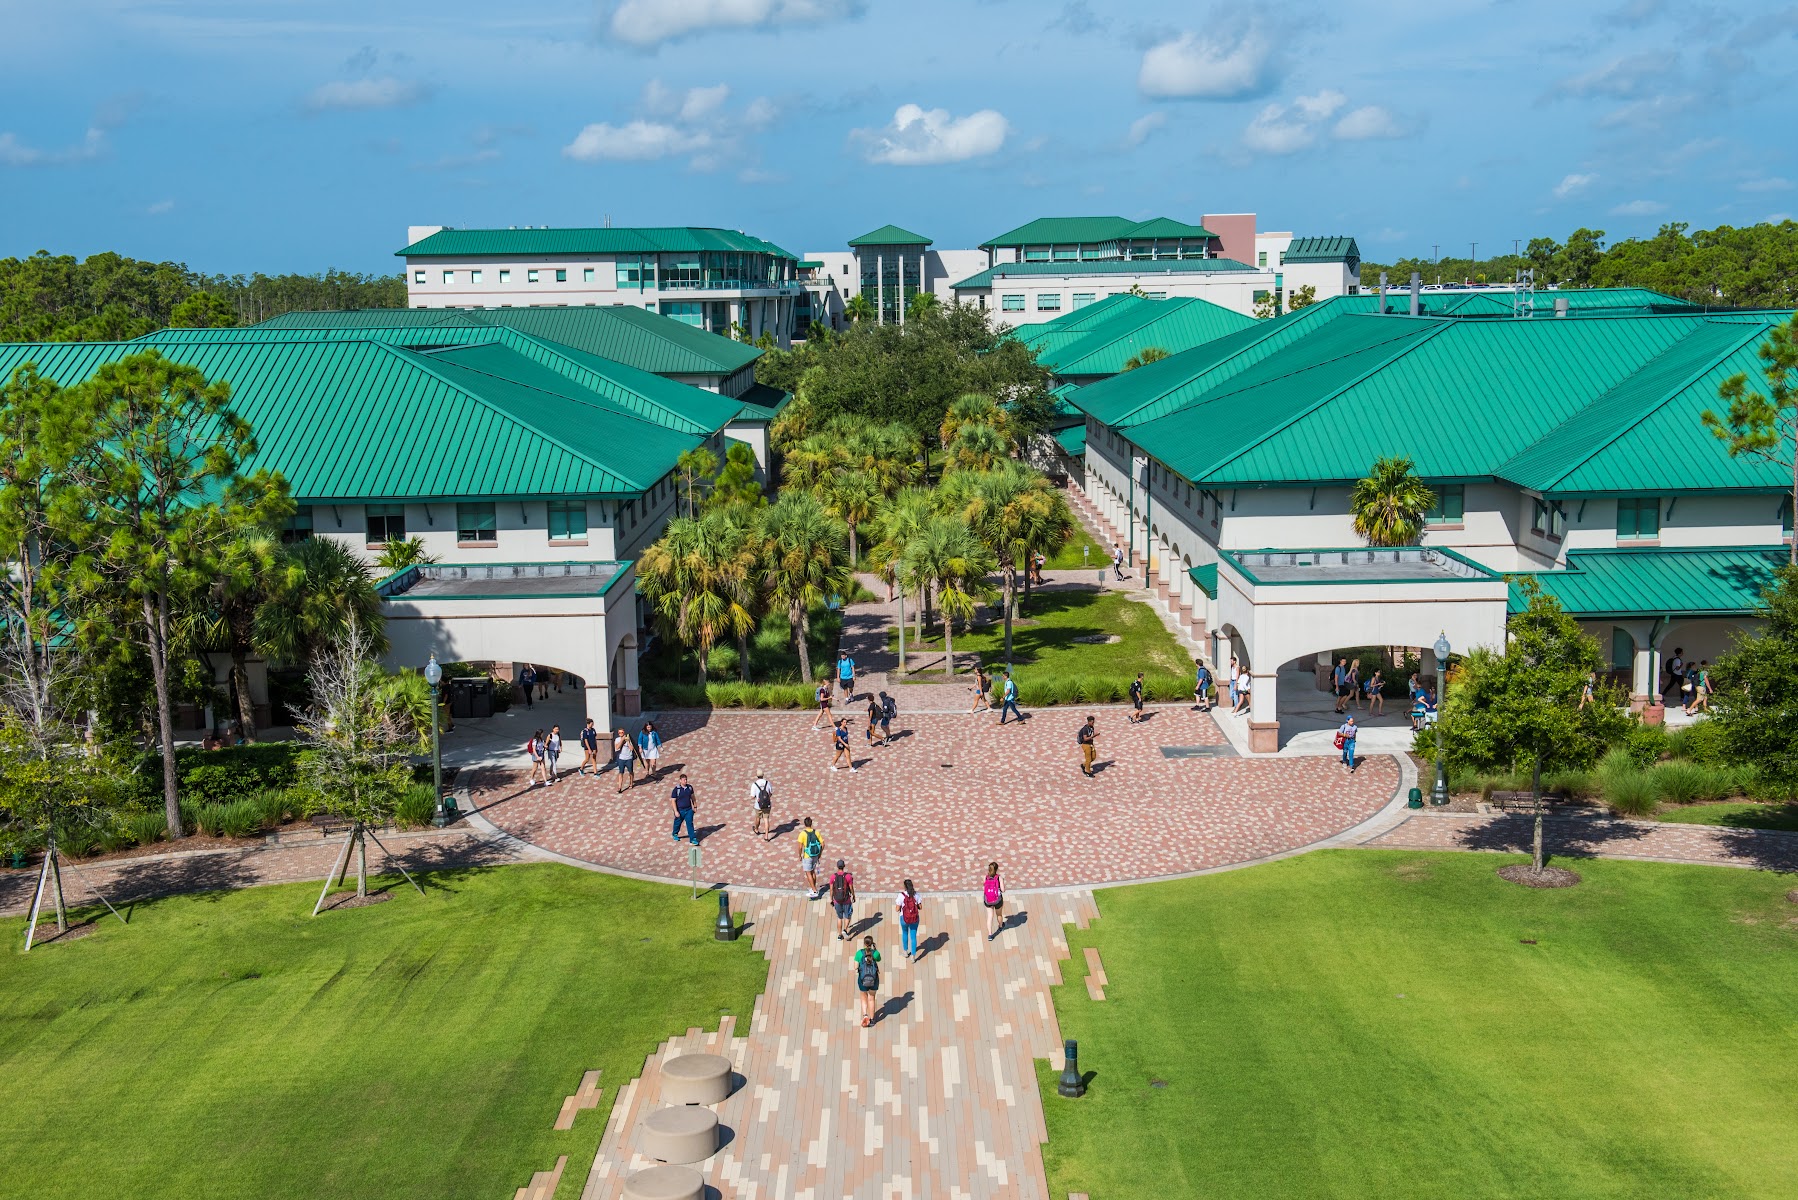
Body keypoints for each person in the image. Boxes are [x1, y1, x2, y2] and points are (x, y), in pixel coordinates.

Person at [853, 935, 881, 1027]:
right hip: (874, 979)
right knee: (871, 998)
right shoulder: (875, 953)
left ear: (864, 943)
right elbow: (879, 959)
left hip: (862, 979)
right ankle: (872, 1020)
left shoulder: (859, 953)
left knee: (863, 996)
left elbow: (855, 967)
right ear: (872, 943)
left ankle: (865, 1015)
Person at [828, 858, 856, 940]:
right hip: (846, 900)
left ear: (837, 866)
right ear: (844, 866)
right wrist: (853, 895)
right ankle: (845, 930)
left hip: (837, 900)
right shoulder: (848, 876)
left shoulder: (833, 876)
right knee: (848, 916)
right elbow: (851, 888)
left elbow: (831, 889)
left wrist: (831, 899)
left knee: (839, 918)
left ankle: (840, 935)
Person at [896, 878, 922, 961]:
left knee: (905, 933)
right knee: (913, 936)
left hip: (904, 918)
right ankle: (913, 956)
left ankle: (905, 951)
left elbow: (897, 909)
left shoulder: (901, 895)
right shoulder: (916, 895)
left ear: (905, 887)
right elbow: (920, 907)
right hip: (914, 918)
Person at [797, 817, 824, 896]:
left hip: (807, 855)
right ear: (811, 823)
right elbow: (823, 844)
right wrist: (820, 854)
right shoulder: (816, 832)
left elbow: (800, 847)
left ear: (805, 824)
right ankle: (813, 888)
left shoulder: (802, 834)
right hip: (815, 854)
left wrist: (799, 855)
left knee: (808, 873)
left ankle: (815, 891)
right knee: (813, 871)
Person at [669, 773, 697, 844]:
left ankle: (692, 839)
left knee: (690, 824)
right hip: (680, 810)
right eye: (684, 780)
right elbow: (673, 801)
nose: (685, 781)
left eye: (686, 779)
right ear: (680, 780)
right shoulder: (676, 789)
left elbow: (693, 797)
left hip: (689, 810)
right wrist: (676, 811)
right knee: (677, 823)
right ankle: (675, 833)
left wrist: (695, 806)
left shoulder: (689, 788)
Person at [982, 861, 1006, 940]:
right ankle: (1000, 926)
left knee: (990, 916)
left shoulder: (985, 877)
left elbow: (984, 888)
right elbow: (1003, 890)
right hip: (997, 900)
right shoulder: (999, 878)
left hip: (988, 900)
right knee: (999, 914)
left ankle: (990, 934)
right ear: (996, 869)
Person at [613, 727, 636, 793]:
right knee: (621, 773)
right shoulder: (617, 740)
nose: (621, 734)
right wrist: (622, 740)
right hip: (621, 758)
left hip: (629, 758)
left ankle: (631, 783)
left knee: (630, 772)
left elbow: (632, 749)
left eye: (622, 732)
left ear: (624, 732)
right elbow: (617, 747)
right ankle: (620, 787)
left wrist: (628, 742)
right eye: (619, 733)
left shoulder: (629, 739)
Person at [750, 771, 774, 838]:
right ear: (763, 775)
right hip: (767, 804)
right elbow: (770, 793)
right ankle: (766, 836)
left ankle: (756, 829)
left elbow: (752, 796)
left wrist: (756, 797)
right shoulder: (767, 783)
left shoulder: (754, 784)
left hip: (758, 805)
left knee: (758, 818)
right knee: (766, 819)